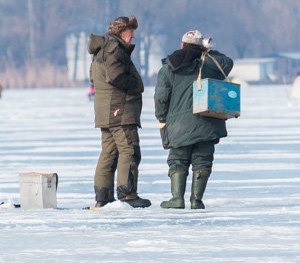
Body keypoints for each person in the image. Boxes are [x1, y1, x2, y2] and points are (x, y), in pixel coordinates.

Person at [154, 29, 233, 210]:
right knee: (203, 160)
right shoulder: (210, 64)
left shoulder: (168, 67)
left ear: (182, 44)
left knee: (178, 159)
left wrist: (162, 117)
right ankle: (196, 200)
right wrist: (208, 51)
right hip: (208, 122)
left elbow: (160, 97)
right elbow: (228, 63)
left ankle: (177, 199)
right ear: (202, 46)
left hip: (178, 124)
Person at [88, 16, 150, 208]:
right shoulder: (114, 50)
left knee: (109, 152)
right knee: (130, 150)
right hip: (119, 110)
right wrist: (136, 84)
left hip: (106, 111)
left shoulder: (102, 50)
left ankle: (103, 197)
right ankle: (127, 194)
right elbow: (116, 77)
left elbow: (93, 78)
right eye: (131, 32)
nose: (133, 36)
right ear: (121, 32)